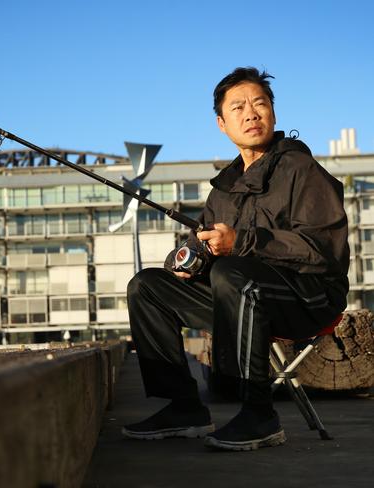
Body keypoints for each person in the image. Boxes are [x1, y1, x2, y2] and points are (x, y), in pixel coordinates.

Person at [121, 67, 349, 451]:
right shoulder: (222, 190)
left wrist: (240, 242)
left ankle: (260, 415)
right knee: (147, 286)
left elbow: (324, 250)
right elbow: (211, 249)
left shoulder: (301, 170)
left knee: (233, 272)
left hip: (309, 297)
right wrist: (188, 260)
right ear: (222, 124)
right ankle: (184, 407)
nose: (251, 113)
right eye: (238, 107)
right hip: (238, 294)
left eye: (260, 104)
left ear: (274, 114)